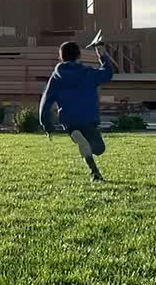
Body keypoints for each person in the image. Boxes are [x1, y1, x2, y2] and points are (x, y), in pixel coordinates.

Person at [38, 40, 114, 181]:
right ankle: (91, 160)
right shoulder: (88, 73)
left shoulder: (56, 77)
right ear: (79, 55)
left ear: (61, 57)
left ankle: (95, 172)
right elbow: (108, 73)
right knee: (98, 148)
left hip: (69, 120)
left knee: (82, 144)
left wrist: (46, 125)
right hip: (88, 117)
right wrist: (102, 56)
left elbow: (46, 101)